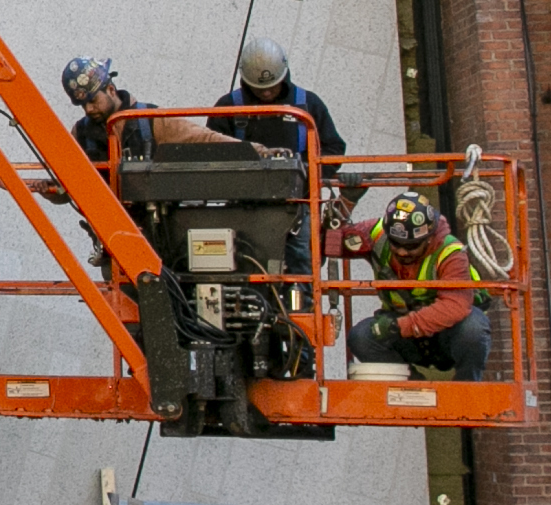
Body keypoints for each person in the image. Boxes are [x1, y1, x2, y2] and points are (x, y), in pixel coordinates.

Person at [35, 55, 232, 200]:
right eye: (82, 105)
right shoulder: (82, 134)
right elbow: (69, 187)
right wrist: (50, 191)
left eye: (93, 101)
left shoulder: (150, 120)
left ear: (111, 90)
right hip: (111, 234)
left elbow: (203, 139)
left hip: (158, 229)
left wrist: (257, 152)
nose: (88, 109)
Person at [355, 193, 494, 380]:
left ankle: (466, 391)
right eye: (396, 244)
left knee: (473, 328)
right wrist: (348, 200)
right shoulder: (377, 232)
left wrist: (398, 326)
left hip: (448, 332)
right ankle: (413, 387)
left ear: (428, 238)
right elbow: (333, 241)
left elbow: (454, 306)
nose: (403, 252)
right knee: (362, 336)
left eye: (411, 246)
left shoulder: (450, 252)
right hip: (406, 331)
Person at [222, 35, 345, 164]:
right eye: (258, 88)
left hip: (295, 182)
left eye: (272, 86)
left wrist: (300, 169)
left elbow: (333, 149)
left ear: (283, 78)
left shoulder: (309, 104)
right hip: (243, 182)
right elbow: (212, 154)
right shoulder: (227, 108)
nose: (266, 93)